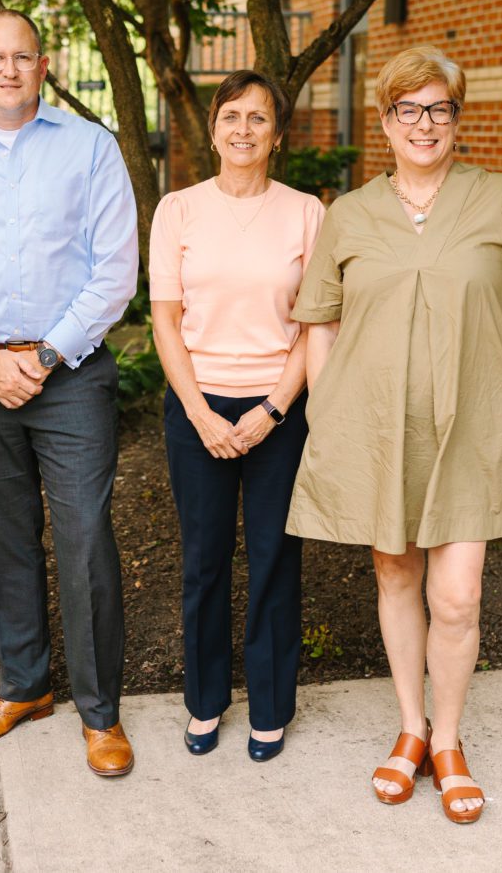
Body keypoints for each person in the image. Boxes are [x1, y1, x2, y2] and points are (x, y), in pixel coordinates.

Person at [287, 46, 502, 824]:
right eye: (407, 109)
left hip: (473, 428)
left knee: (458, 595)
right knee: (395, 576)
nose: (424, 123)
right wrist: (325, 412)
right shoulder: (349, 213)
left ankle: (449, 739)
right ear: (385, 121)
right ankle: (410, 728)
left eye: (439, 108)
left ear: (458, 119)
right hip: (376, 431)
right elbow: (320, 320)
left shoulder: (499, 198)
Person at [0, 9, 140, 778]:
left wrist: (43, 354)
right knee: (3, 537)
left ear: (46, 66)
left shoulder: (91, 148)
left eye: (24, 56)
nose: (9, 69)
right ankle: (22, 687)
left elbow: (115, 271)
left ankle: (99, 711)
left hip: (69, 373)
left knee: (83, 540)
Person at [148, 70, 324, 762]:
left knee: (277, 557)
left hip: (280, 409)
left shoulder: (307, 211)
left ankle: (271, 708)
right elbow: (165, 320)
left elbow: (315, 323)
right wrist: (201, 413)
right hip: (198, 408)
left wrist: (275, 407)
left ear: (278, 135)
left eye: (258, 118)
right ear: (213, 127)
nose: (243, 129)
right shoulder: (179, 210)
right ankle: (205, 701)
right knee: (204, 559)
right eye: (231, 115)